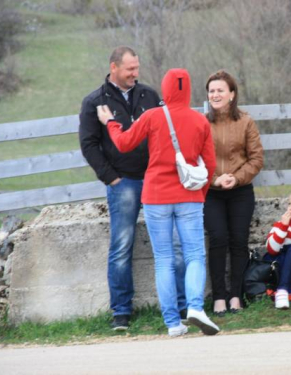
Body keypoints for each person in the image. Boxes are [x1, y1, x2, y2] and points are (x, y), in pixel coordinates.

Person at [96, 68, 220, 337]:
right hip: (189, 197)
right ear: (188, 90)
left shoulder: (152, 116)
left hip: (155, 196)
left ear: (165, 88)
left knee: (163, 259)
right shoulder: (200, 121)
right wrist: (201, 193)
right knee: (195, 255)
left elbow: (124, 143)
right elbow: (209, 164)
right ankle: (195, 307)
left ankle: (173, 323)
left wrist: (110, 122)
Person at [79, 46, 188, 331]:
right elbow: (88, 143)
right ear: (114, 67)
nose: (135, 74)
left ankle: (182, 305)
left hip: (155, 179)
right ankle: (122, 311)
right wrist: (110, 177)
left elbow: (164, 132)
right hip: (122, 182)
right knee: (121, 245)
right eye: (130, 69)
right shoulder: (95, 102)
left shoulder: (149, 95)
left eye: (137, 68)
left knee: (172, 244)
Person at [204, 70, 264, 316]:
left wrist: (235, 178)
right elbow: (194, 159)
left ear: (232, 94)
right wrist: (215, 179)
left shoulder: (246, 121)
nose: (215, 95)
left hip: (241, 191)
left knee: (239, 242)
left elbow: (257, 158)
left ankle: (236, 296)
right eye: (211, 91)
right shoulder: (202, 123)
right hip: (211, 192)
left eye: (220, 90)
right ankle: (219, 296)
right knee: (218, 240)